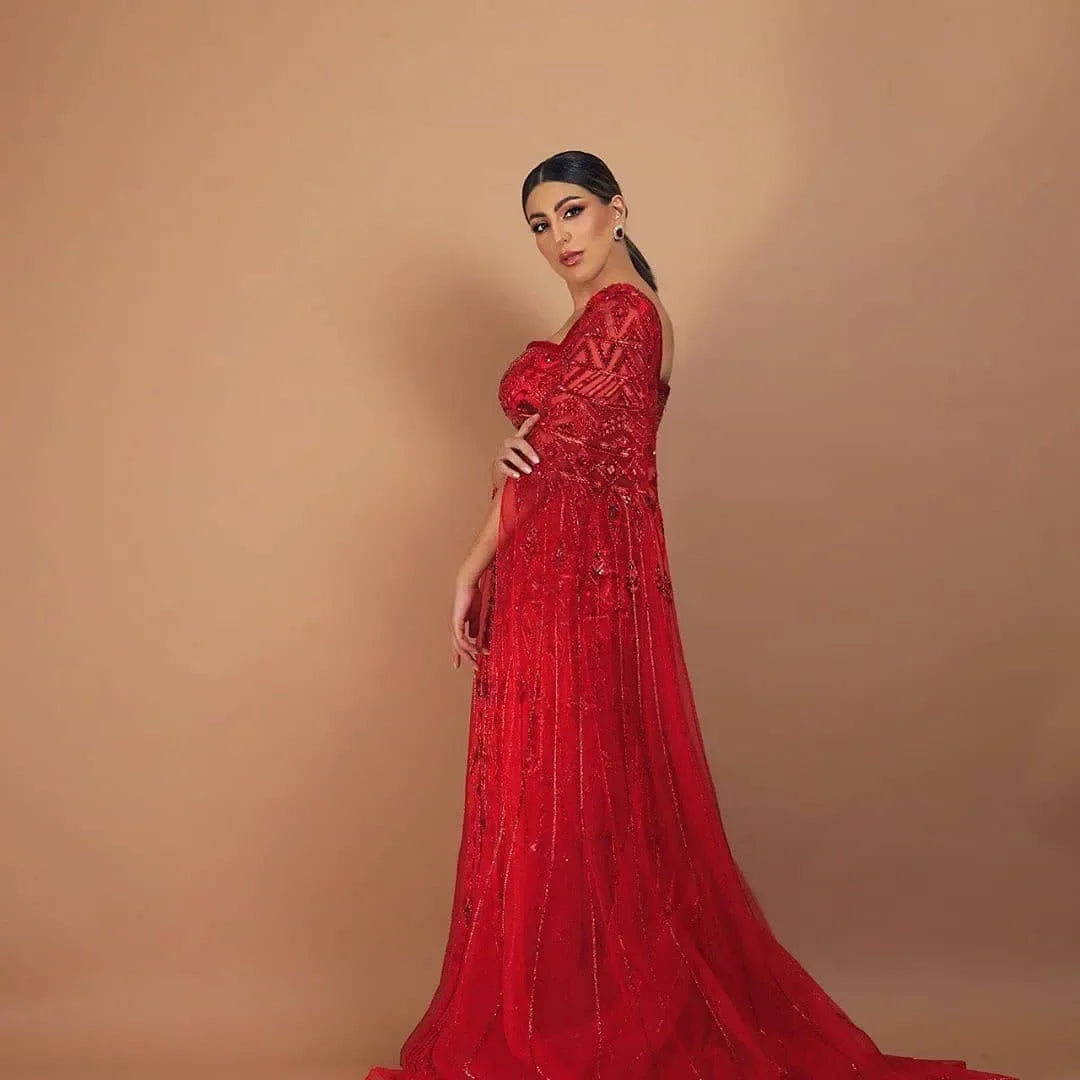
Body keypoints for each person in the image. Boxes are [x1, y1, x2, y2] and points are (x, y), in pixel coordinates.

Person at [365, 151, 1019, 1080]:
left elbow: (562, 460)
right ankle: (581, 1020)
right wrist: (515, 460)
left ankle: (594, 1032)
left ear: (618, 207)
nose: (558, 237)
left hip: (578, 589)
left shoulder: (624, 316)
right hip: (561, 576)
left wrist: (469, 565)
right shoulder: (596, 317)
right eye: (540, 225)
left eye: (573, 211)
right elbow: (552, 452)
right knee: (567, 802)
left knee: (575, 798)